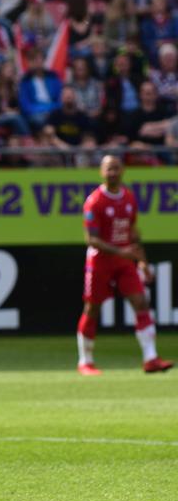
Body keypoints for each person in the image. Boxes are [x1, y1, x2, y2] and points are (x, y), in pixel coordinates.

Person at [76, 155, 173, 376]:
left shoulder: (129, 198)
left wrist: (143, 262)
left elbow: (133, 233)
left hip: (124, 260)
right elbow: (91, 239)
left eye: (116, 168)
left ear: (123, 171)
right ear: (101, 172)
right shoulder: (95, 201)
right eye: (109, 169)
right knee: (92, 308)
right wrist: (122, 251)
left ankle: (151, 358)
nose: (113, 173)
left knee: (141, 302)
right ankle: (85, 361)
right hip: (100, 261)